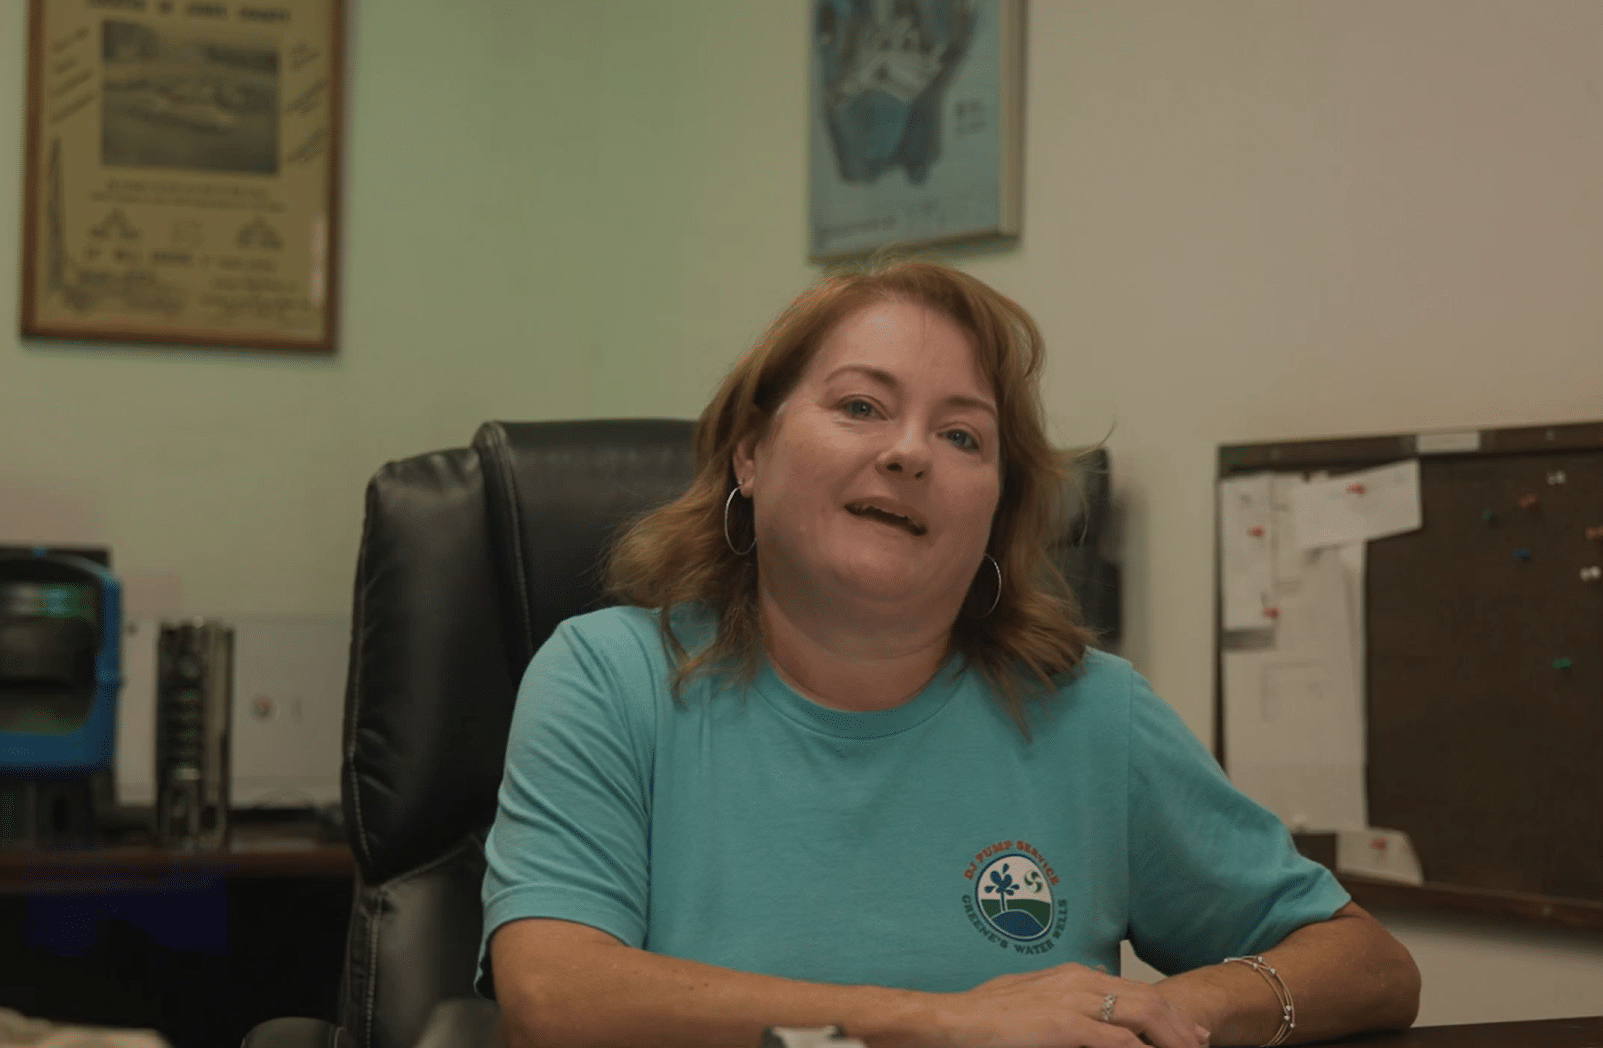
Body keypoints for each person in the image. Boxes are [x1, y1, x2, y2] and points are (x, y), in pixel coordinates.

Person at [477, 261, 1420, 1048]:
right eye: (859, 406)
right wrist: (938, 1023)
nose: (909, 454)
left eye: (962, 435)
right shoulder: (609, 676)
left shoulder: (1088, 711)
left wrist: (1174, 1009)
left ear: (995, 512)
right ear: (749, 454)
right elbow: (554, 996)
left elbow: (1367, 965)